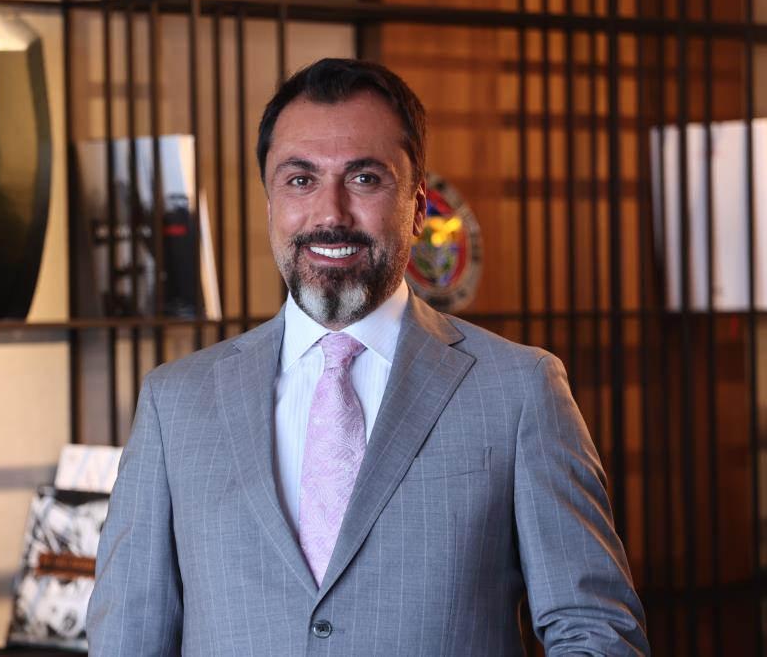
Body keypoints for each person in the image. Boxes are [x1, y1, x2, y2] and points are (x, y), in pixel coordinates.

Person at [87, 57, 649, 656]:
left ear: (417, 207)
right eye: (300, 180)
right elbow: (126, 641)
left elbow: (597, 636)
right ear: (270, 204)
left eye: (364, 178)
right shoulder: (175, 403)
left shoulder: (519, 389)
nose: (331, 213)